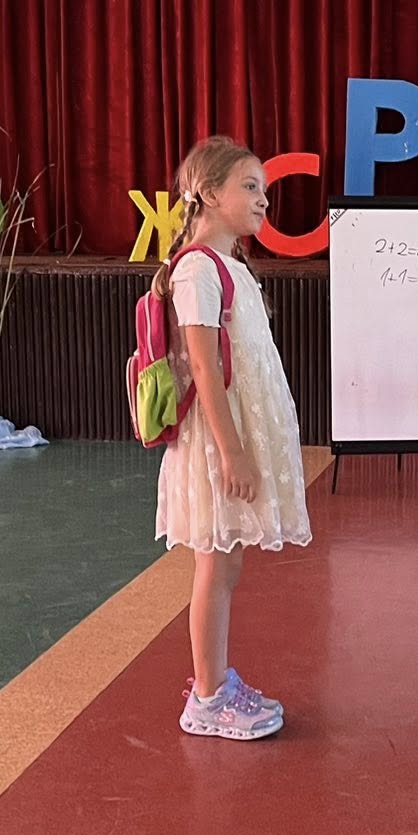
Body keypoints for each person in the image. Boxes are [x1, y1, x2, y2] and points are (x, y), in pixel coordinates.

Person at [153, 137, 312, 739]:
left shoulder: (228, 267)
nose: (263, 200)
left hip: (229, 437)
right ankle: (208, 695)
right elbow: (203, 367)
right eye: (250, 187)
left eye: (263, 189)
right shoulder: (198, 269)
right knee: (215, 566)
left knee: (226, 563)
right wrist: (232, 451)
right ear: (209, 194)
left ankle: (214, 680)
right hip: (216, 442)